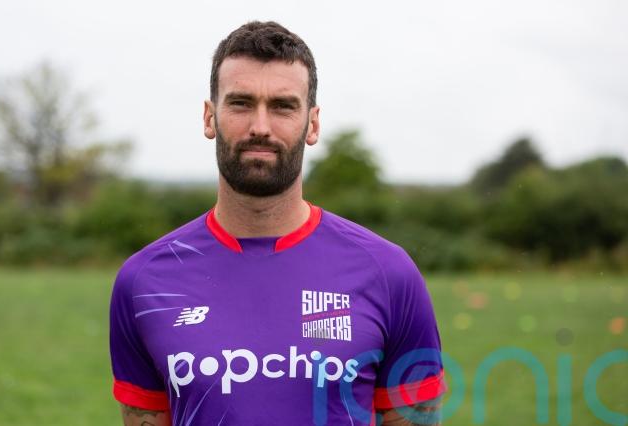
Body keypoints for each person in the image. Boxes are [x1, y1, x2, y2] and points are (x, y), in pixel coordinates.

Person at [109, 21, 446, 426]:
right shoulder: (144, 282)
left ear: (313, 124)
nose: (260, 127)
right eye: (240, 103)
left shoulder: (389, 274)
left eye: (283, 106)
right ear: (209, 117)